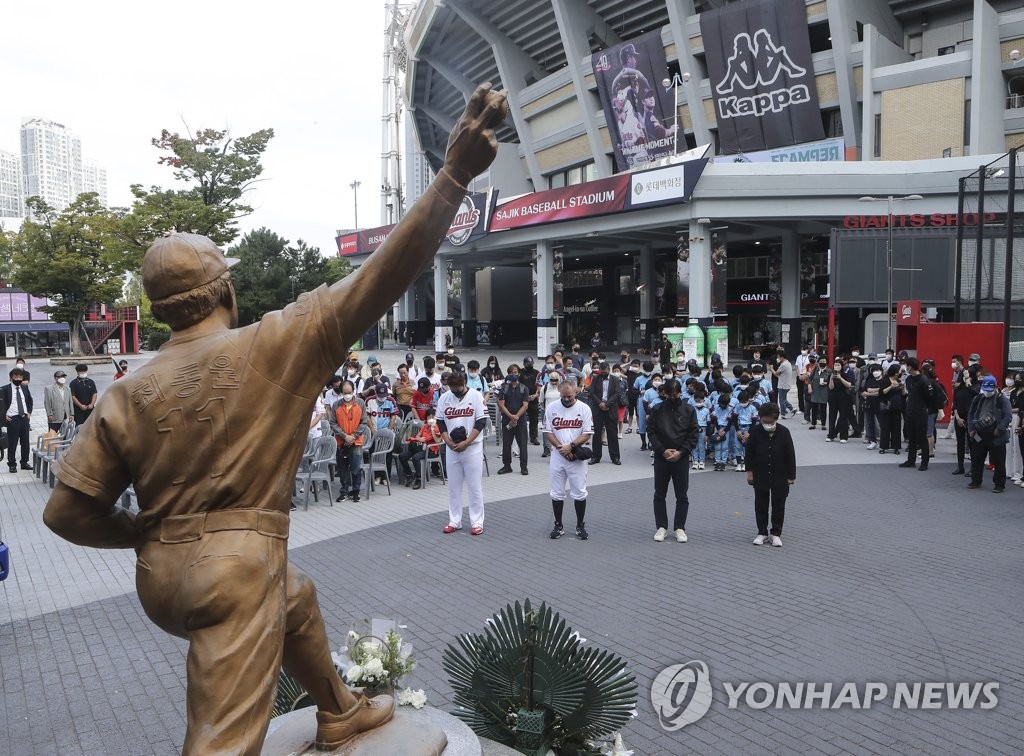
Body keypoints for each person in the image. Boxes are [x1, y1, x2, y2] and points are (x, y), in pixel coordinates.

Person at [41, 82, 506, 753]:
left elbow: (65, 512)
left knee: (294, 596)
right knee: (220, 745)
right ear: (227, 290)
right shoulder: (274, 344)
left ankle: (339, 708)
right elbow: (383, 275)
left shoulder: (124, 392)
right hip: (232, 570)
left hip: (159, 575)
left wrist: (141, 532)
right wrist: (455, 174)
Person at [646, 378, 699, 543]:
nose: (674, 397)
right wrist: (662, 450)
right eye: (671, 395)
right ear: (665, 394)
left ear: (680, 394)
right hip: (662, 457)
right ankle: (661, 527)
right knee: (659, 493)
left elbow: (693, 433)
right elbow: (651, 432)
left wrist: (682, 452)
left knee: (682, 494)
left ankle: (680, 528)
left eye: (677, 395)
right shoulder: (657, 409)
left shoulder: (689, 410)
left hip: (681, 457)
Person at [437, 371, 488, 535]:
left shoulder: (476, 396)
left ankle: (477, 522)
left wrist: (467, 442)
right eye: (451, 387)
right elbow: (440, 422)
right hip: (452, 447)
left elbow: (481, 421)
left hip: (472, 447)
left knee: (474, 486)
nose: (454, 390)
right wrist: (447, 442)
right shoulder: (444, 398)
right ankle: (455, 520)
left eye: (457, 387)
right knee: (453, 486)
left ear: (464, 383)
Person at [545, 381, 594, 540]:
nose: (567, 399)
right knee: (557, 493)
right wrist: (562, 448)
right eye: (564, 396)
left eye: (570, 396)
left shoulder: (584, 408)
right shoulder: (552, 407)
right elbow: (548, 432)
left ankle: (580, 525)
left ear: (576, 392)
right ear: (559, 392)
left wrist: (571, 447)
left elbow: (587, 433)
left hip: (576, 457)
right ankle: (558, 525)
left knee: (579, 492)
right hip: (558, 456)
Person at [745, 403, 796, 547]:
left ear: (776, 419)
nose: (767, 424)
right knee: (761, 504)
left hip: (780, 474)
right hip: (760, 473)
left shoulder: (784, 432)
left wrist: (791, 476)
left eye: (770, 422)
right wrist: (750, 473)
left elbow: (790, 455)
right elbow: (749, 454)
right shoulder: (755, 431)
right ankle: (762, 532)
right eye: (764, 421)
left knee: (779, 504)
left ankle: (776, 533)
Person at [966, 374, 1012, 492]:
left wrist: (1000, 428)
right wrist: (971, 429)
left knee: (998, 461)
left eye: (989, 390)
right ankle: (976, 481)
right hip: (979, 433)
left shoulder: (1002, 399)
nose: (987, 392)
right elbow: (971, 414)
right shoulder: (978, 399)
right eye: (985, 389)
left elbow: (1008, 416)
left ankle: (999, 484)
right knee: (976, 458)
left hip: (995, 434)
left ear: (995, 387)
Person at [331, 381, 369, 502]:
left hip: (356, 442)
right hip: (341, 442)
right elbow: (332, 423)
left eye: (350, 392)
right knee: (342, 469)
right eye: (345, 393)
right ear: (341, 392)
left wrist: (353, 436)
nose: (347, 395)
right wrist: (344, 436)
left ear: (353, 391)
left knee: (356, 467)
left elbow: (363, 422)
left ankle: (355, 491)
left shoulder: (360, 403)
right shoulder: (336, 405)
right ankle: (344, 491)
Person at [898, 358, 935, 470]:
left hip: (921, 412)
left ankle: (925, 462)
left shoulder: (923, 380)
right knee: (911, 437)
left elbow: (930, 396)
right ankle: (911, 460)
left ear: (910, 366)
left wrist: (926, 408)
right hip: (910, 411)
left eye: (906, 365)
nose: (904, 368)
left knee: (922, 437)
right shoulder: (909, 379)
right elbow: (908, 393)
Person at [587, 361, 624, 466]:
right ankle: (595, 457)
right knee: (597, 434)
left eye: (605, 371)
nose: (603, 373)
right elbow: (591, 393)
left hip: (610, 409)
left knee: (612, 434)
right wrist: (600, 403)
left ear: (609, 370)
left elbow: (617, 394)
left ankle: (615, 457)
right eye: (601, 372)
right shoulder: (596, 378)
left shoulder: (615, 380)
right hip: (598, 409)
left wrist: (607, 404)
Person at [497, 364, 530, 475]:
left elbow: (525, 405)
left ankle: (524, 467)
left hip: (521, 421)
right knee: (506, 444)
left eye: (515, 372)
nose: (513, 374)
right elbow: (501, 404)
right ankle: (507, 466)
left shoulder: (524, 388)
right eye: (511, 372)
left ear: (519, 373)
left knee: (522, 444)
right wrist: (511, 416)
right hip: (507, 420)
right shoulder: (504, 388)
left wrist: (516, 417)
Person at [398, 408, 443, 489]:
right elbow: (418, 435)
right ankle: (409, 475)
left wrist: (432, 430)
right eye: (429, 417)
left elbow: (437, 440)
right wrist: (421, 438)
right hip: (421, 447)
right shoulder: (425, 426)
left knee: (416, 458)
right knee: (402, 456)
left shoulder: (438, 427)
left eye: (432, 417)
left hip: (431, 450)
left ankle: (419, 478)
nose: (430, 419)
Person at [951, 364, 980, 475]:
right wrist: (957, 417)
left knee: (973, 442)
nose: (965, 377)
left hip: (971, 419)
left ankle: (974, 468)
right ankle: (960, 466)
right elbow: (955, 404)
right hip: (960, 417)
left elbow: (974, 392)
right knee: (960, 443)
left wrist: (968, 380)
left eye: (967, 376)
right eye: (963, 376)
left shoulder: (976, 386)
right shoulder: (959, 388)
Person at [3, 367, 33, 472]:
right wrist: (3, 416)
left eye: (20, 376)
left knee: (25, 442)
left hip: (24, 418)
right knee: (13, 443)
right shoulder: (4, 389)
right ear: (11, 377)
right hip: (12, 419)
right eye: (15, 376)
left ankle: (24, 463)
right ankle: (12, 464)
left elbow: (30, 400)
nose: (18, 378)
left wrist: (29, 412)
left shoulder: (24, 388)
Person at [877, 364, 904, 455]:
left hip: (897, 406)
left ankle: (896, 447)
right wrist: (891, 387)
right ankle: (884, 446)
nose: (900, 372)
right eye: (899, 371)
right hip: (886, 406)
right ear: (895, 372)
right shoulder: (885, 380)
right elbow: (882, 392)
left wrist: (903, 388)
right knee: (885, 427)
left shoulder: (899, 381)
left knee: (896, 427)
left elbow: (903, 394)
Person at [826, 358, 853, 443]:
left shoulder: (845, 375)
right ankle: (831, 435)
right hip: (833, 398)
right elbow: (831, 387)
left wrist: (840, 378)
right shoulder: (831, 374)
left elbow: (849, 385)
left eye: (838, 365)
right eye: (835, 365)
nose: (836, 367)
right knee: (832, 416)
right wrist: (831, 378)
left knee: (843, 417)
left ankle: (843, 436)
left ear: (841, 366)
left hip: (843, 398)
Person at [520, 356, 542, 445]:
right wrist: (524, 396)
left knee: (534, 420)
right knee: (522, 420)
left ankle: (533, 438)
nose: (530, 365)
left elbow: (539, 385)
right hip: (522, 400)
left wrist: (536, 395)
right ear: (524, 364)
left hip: (533, 399)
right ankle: (522, 437)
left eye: (531, 364)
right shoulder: (520, 373)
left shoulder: (537, 373)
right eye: (528, 364)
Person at [773, 350, 795, 419]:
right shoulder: (788, 363)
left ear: (782, 357)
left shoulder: (783, 365)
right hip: (787, 384)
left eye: (778, 357)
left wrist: (772, 369)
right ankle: (791, 409)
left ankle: (783, 414)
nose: (778, 359)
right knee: (784, 399)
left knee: (781, 400)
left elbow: (776, 373)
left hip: (782, 385)